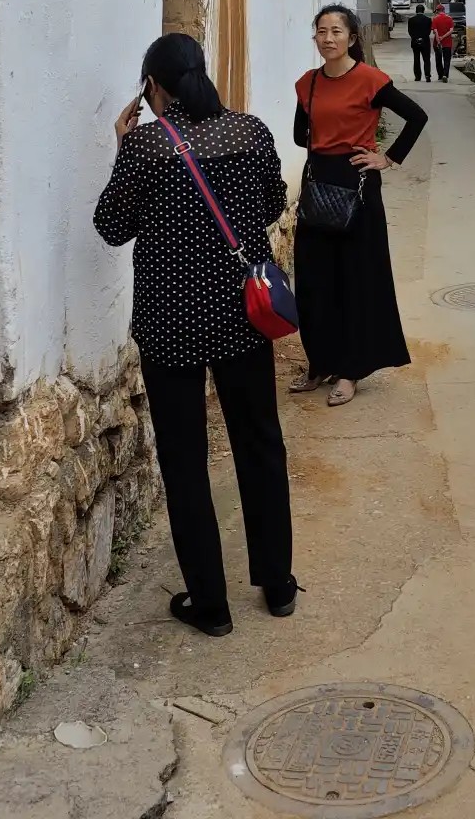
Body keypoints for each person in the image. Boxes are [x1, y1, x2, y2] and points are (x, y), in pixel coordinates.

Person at [93, 33, 296, 635]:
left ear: (153, 86)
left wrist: (122, 147)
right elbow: (271, 204)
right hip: (241, 316)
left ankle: (210, 604)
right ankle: (278, 584)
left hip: (170, 322)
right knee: (260, 443)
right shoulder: (250, 132)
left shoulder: (147, 146)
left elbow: (112, 226)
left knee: (185, 461)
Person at [292, 4, 427, 406]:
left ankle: (350, 370)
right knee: (314, 281)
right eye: (321, 31)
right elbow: (300, 135)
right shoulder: (307, 83)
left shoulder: (371, 80)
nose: (328, 38)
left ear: (352, 38)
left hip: (358, 182)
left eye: (336, 31)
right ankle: (319, 363)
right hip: (318, 184)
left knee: (355, 280)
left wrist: (388, 157)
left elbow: (416, 117)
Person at [407, 2, 434, 83]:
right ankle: (427, 76)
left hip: (415, 42)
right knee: (426, 59)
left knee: (416, 59)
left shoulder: (411, 20)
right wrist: (422, 38)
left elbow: (410, 31)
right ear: (423, 10)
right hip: (425, 41)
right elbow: (428, 31)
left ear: (416, 11)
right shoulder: (428, 20)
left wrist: (416, 38)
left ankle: (417, 76)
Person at [430, 1, 456, 83]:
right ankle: (445, 74)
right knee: (447, 59)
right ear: (444, 10)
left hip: (437, 43)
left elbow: (435, 31)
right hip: (447, 43)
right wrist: (444, 37)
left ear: (437, 11)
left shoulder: (435, 19)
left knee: (438, 59)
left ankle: (440, 75)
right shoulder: (449, 18)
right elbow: (451, 30)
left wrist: (438, 40)